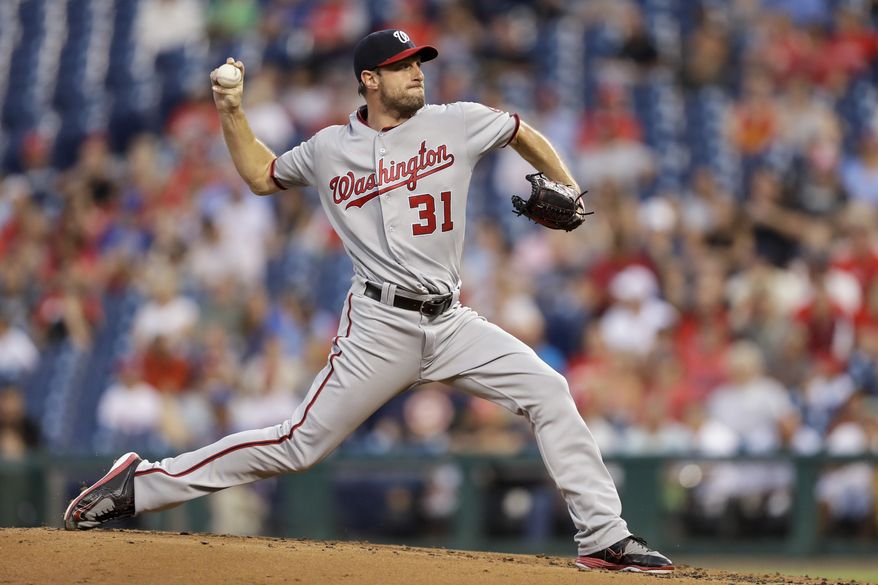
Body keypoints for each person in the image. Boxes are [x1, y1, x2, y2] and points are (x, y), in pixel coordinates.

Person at [64, 29, 673, 573]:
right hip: (379, 325)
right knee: (298, 445)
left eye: (420, 63)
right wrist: (230, 110)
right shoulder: (330, 148)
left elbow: (522, 132)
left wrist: (565, 186)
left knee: (549, 390)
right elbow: (261, 175)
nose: (418, 73)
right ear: (369, 79)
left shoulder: (455, 120)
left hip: (452, 320)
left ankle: (604, 537)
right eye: (405, 65)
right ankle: (139, 486)